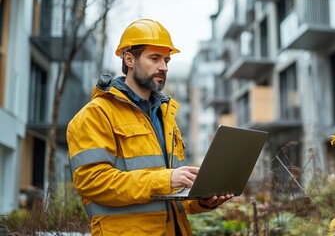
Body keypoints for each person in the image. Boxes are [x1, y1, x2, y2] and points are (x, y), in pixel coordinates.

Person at [66, 18, 233, 235]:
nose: (163, 67)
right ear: (129, 59)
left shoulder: (166, 117)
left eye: (166, 60)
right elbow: (93, 182)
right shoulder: (95, 115)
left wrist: (203, 200)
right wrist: (166, 179)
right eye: (154, 58)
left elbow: (175, 197)